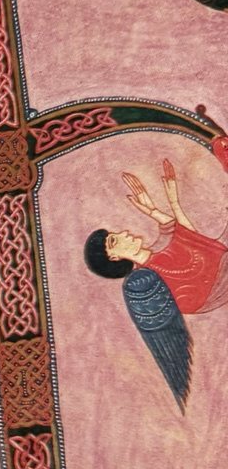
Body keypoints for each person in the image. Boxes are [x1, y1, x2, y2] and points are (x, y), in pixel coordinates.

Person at [84, 160, 228, 409]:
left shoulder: (161, 251)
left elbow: (199, 243)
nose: (125, 233)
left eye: (116, 234)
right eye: (115, 241)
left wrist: (162, 206)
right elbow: (206, 256)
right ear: (114, 258)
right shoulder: (145, 283)